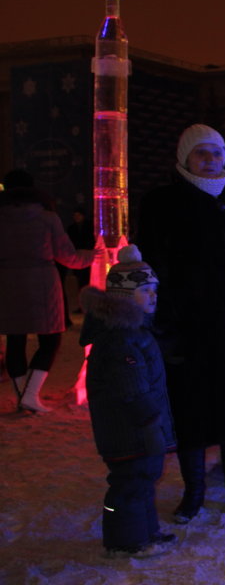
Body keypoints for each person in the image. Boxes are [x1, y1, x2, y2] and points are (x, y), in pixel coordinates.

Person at [137, 124, 225, 523]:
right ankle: (194, 493)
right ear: (185, 157)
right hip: (191, 329)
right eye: (202, 153)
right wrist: (162, 324)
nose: (211, 160)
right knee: (193, 413)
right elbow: (155, 266)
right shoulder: (162, 203)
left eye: (216, 153)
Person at [79, 245, 178, 559]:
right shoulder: (121, 339)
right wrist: (151, 422)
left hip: (140, 428)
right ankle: (124, 543)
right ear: (123, 297)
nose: (153, 296)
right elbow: (131, 390)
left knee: (144, 481)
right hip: (129, 431)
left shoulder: (135, 331)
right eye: (144, 290)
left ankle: (146, 533)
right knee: (129, 485)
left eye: (154, 290)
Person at [0, 170, 93, 413]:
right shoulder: (47, 217)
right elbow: (68, 256)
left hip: (7, 282)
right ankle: (30, 395)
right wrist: (90, 257)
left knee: (15, 339)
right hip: (43, 281)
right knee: (51, 339)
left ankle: (24, 395)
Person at [60, 207, 94, 321]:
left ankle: (88, 305)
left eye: (78, 215)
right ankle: (83, 305)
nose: (76, 217)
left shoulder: (88, 227)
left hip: (86, 256)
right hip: (79, 257)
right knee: (81, 282)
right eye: (75, 215)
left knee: (87, 281)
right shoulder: (72, 228)